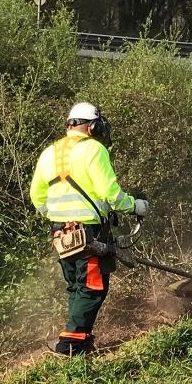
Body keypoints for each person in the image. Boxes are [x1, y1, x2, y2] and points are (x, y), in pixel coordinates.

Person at [29, 103, 148, 356]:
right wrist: (134, 206)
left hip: (60, 232)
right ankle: (71, 344)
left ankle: (78, 338)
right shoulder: (94, 148)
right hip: (88, 231)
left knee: (76, 284)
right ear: (93, 126)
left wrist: (58, 217)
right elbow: (110, 193)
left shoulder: (49, 152)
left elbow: (37, 196)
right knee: (93, 286)